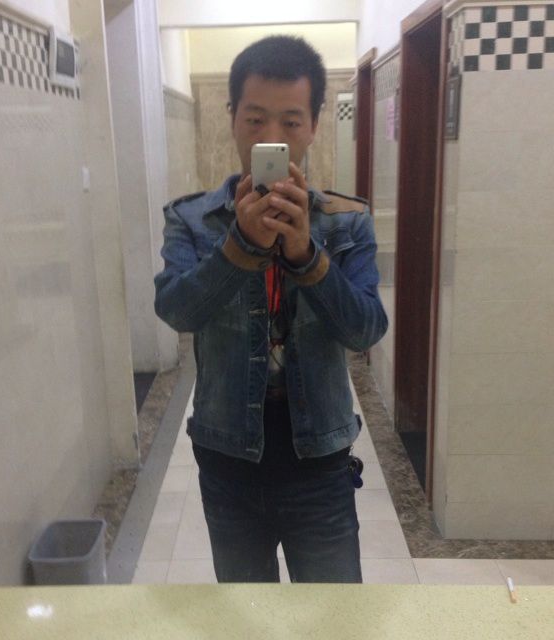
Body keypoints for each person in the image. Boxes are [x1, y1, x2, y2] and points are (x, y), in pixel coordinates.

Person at [154, 36, 387, 583]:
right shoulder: (192, 220)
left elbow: (365, 330)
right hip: (228, 460)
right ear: (232, 118)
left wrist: (307, 256)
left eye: (290, 121)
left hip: (320, 460)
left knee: (332, 615)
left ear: (314, 125)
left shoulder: (347, 222)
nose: (271, 137)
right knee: (246, 614)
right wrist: (239, 248)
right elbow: (177, 312)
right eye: (255, 119)